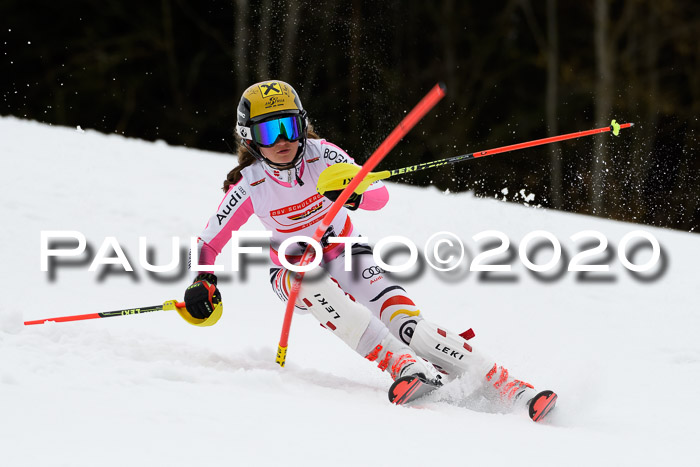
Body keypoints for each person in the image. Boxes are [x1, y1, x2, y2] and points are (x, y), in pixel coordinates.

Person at [183, 79, 556, 420]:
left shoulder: (323, 155)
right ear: (250, 138)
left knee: (411, 325)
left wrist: (354, 193)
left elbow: (379, 194)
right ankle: (403, 366)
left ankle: (509, 386)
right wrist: (204, 279)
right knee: (312, 283)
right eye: (269, 131)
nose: (283, 140)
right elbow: (209, 241)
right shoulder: (250, 184)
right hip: (292, 267)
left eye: (290, 126)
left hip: (346, 250)